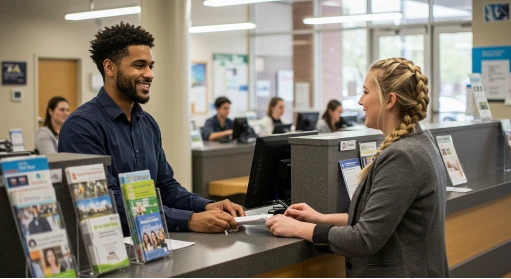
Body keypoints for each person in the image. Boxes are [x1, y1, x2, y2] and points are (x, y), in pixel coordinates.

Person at [265, 58, 449, 278]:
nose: (361, 101)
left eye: (365, 92)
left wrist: (298, 229)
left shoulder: (402, 156)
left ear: (390, 100)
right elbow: (379, 220)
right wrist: (320, 218)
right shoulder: (419, 142)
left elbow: (364, 239)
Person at [58, 22, 244, 235]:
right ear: (109, 67)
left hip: (153, 242)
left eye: (150, 66)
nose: (149, 74)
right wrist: (189, 220)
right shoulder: (82, 126)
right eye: (139, 65)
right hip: (110, 249)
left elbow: (166, 187)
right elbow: (104, 201)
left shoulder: (147, 124)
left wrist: (206, 206)